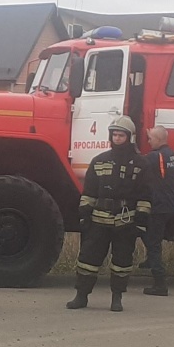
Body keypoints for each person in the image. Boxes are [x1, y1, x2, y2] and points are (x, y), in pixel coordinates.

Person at [66, 115, 150, 312]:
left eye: (121, 135)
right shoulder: (99, 161)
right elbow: (89, 192)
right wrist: (84, 215)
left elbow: (145, 195)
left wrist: (140, 221)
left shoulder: (141, 164)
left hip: (125, 221)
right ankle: (81, 296)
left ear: (130, 137)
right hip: (98, 220)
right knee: (88, 259)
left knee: (122, 261)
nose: (117, 138)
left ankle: (117, 298)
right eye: (115, 135)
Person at [137, 125, 174, 296]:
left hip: (159, 205)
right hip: (168, 203)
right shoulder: (170, 154)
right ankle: (150, 260)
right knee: (146, 232)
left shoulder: (155, 156)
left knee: (153, 242)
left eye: (151, 139)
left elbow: (139, 162)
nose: (148, 141)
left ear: (159, 140)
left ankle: (160, 284)